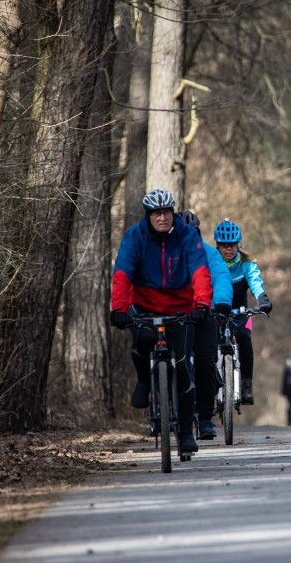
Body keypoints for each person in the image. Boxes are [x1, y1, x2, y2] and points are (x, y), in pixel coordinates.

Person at [110, 189, 212, 454]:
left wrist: (202, 304)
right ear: (148, 216)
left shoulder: (187, 235)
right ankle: (144, 380)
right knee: (143, 340)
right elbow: (122, 273)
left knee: (183, 366)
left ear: (173, 213)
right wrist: (119, 308)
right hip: (144, 305)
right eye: (156, 213)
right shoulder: (135, 236)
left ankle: (187, 434)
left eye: (166, 212)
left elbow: (200, 271)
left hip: (181, 308)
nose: (162, 218)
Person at [176, 211, 234, 440]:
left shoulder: (209, 253)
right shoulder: (169, 253)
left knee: (205, 363)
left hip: (204, 314)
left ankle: (205, 418)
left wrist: (220, 302)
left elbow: (221, 277)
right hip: (177, 315)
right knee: (176, 361)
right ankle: (171, 411)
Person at [214, 218, 273, 405]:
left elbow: (255, 282)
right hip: (215, 312)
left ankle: (246, 385)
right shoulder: (212, 263)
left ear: (239, 244)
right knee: (208, 344)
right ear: (217, 245)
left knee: (244, 338)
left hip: (240, 311)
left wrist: (263, 299)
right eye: (224, 246)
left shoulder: (247, 264)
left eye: (232, 245)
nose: (229, 249)